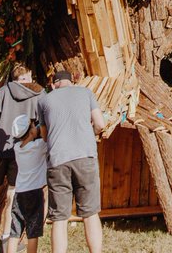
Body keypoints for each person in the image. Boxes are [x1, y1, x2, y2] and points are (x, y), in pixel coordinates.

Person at [0, 65, 43, 252]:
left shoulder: (3, 92)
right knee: (12, 194)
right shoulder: (37, 94)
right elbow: (41, 122)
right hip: (20, 150)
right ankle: (6, 239)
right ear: (28, 76)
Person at [39, 69, 106, 253]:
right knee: (91, 213)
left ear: (54, 84)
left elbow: (44, 136)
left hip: (58, 160)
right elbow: (100, 124)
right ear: (72, 82)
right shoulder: (86, 93)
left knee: (59, 218)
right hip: (85, 157)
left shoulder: (45, 99)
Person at [6, 114, 48, 253]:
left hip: (20, 193)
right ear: (31, 131)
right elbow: (46, 137)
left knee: (15, 229)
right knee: (33, 230)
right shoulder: (39, 146)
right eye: (32, 125)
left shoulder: (17, 148)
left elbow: (29, 137)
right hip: (34, 193)